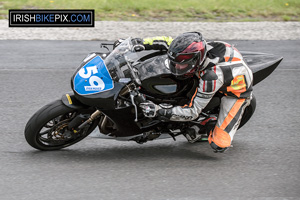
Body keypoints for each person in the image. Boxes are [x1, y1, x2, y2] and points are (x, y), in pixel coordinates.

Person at [115, 32, 253, 153]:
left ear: (196, 61)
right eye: (175, 62)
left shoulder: (210, 77)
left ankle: (204, 127)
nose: (177, 66)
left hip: (235, 92)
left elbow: (193, 111)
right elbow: (165, 41)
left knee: (219, 144)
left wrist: (159, 111)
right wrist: (134, 43)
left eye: (182, 64)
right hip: (223, 58)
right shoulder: (187, 49)